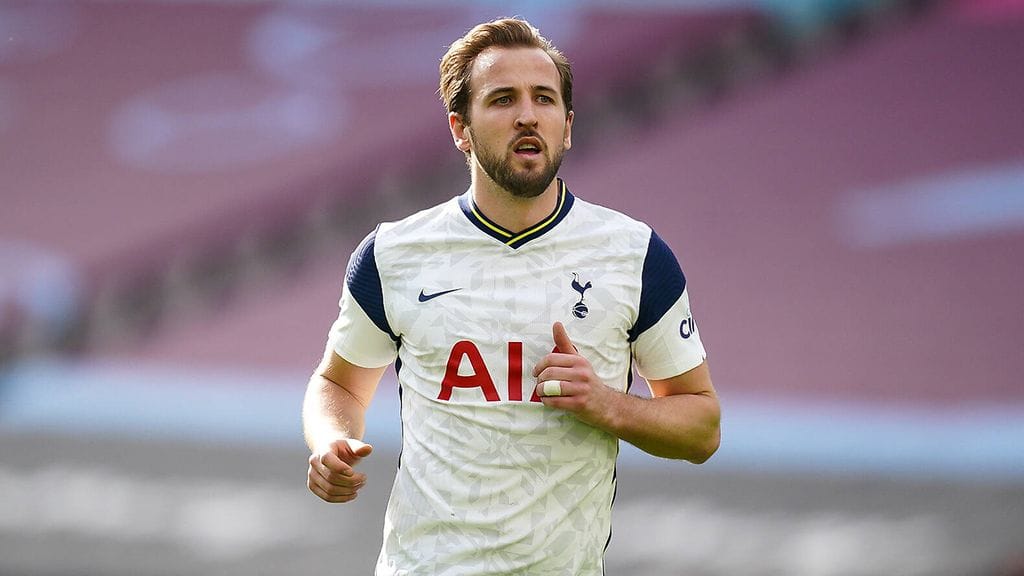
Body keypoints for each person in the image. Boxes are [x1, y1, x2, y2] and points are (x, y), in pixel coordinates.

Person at [303, 17, 721, 575]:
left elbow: (702, 428)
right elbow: (338, 384)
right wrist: (330, 440)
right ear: (460, 128)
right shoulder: (393, 253)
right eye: (503, 99)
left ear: (567, 127)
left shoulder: (635, 255)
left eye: (544, 98)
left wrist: (608, 405)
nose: (528, 115)